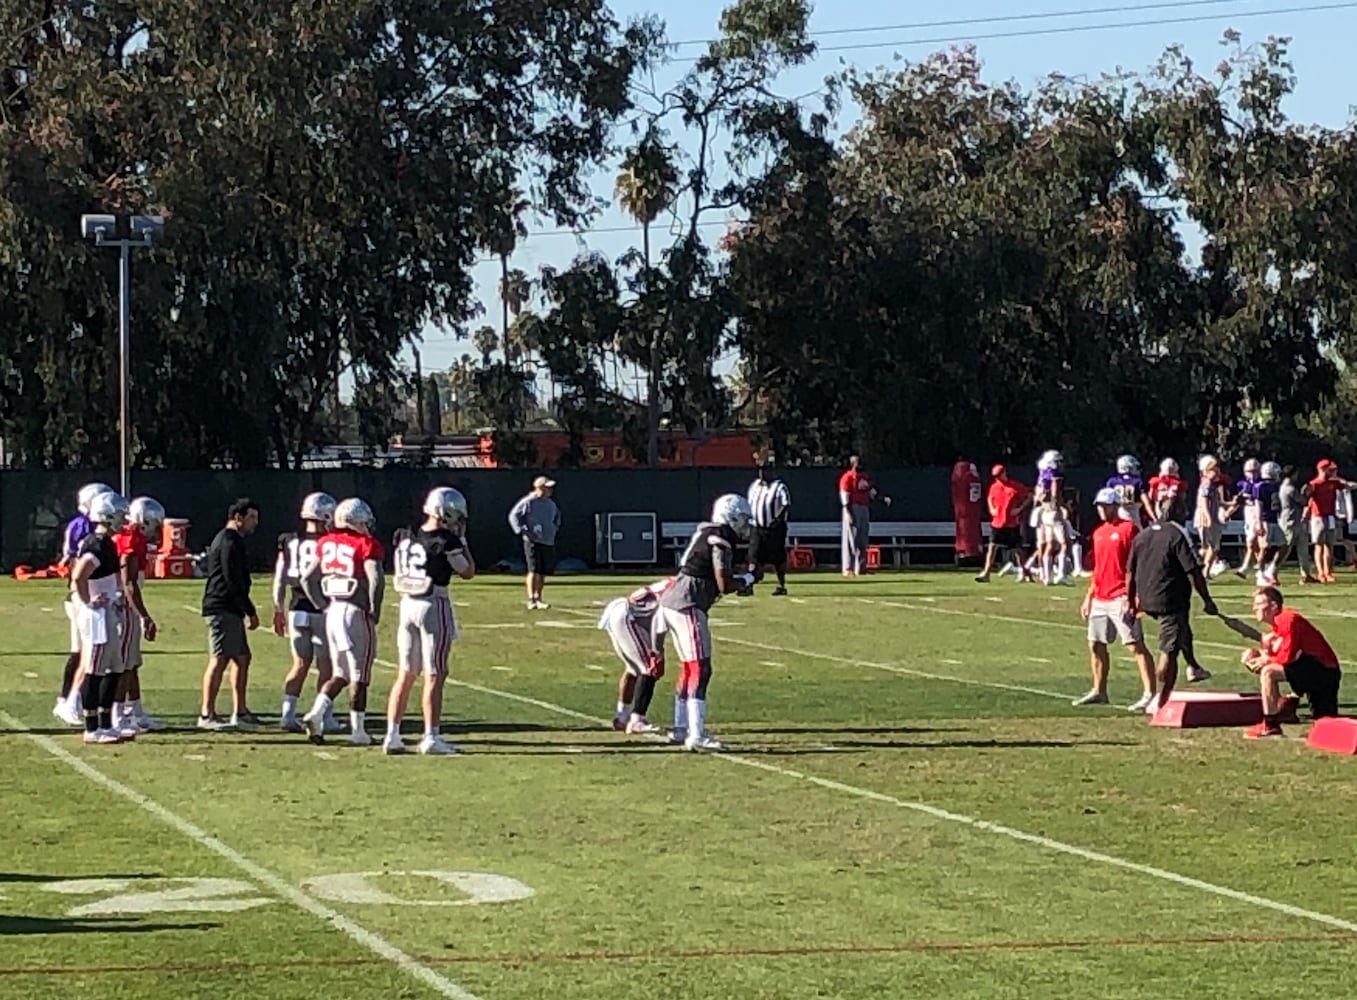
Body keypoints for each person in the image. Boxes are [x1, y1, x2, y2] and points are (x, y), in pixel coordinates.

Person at [659, 494, 756, 751]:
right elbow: (723, 584)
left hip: (677, 600)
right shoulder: (719, 540)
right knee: (701, 668)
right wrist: (747, 579)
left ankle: (682, 727)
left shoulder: (708, 532)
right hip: (687, 603)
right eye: (742, 520)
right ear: (731, 517)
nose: (745, 526)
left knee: (690, 667)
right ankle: (697, 734)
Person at [384, 487, 475, 756]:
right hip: (433, 604)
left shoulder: (405, 535)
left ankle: (392, 734)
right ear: (446, 513)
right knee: (435, 674)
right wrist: (464, 543)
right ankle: (431, 736)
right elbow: (468, 571)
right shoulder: (446, 541)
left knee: (406, 672)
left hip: (406, 604)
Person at [300, 497, 385, 746]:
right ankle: (358, 731)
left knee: (340, 673)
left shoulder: (325, 543)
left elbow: (307, 578)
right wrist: (374, 608)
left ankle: (316, 714)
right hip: (355, 611)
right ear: (356, 521)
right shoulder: (366, 543)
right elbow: (376, 579)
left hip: (333, 610)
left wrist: (322, 606)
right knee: (359, 673)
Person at [1127, 511, 1219, 713]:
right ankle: (1161, 700)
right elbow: (1193, 570)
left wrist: (1131, 601)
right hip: (1170, 600)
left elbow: (1130, 573)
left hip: (1146, 598)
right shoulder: (1176, 534)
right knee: (1169, 649)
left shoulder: (1142, 536)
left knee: (1181, 629)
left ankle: (1193, 665)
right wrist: (1207, 600)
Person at [1075, 489, 1157, 711]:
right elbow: (1099, 569)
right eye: (1099, 505)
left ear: (1115, 505)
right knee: (1096, 645)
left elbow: (1140, 564)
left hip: (1122, 595)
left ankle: (1150, 693)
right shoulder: (1099, 532)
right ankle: (1099, 690)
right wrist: (1088, 597)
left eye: (1105, 505)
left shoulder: (1128, 529)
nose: (1101, 509)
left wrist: (1134, 596)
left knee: (1134, 645)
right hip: (1100, 596)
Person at [273, 492, 340, 734]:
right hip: (321, 607)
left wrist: (278, 607)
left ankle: (287, 714)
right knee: (326, 665)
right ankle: (324, 716)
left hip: (296, 607)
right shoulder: (330, 542)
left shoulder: (290, 540)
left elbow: (280, 577)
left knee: (300, 663)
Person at [70, 491, 132, 744]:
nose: (124, 520)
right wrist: (88, 601)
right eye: (119, 516)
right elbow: (78, 576)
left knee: (115, 666)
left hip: (108, 610)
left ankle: (106, 723)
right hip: (96, 614)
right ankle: (91, 726)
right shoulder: (95, 544)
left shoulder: (107, 542)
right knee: (95, 668)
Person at [1241, 586, 1341, 739]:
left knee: (1269, 673)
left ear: (1274, 606)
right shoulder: (1278, 626)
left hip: (1323, 671)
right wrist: (1257, 655)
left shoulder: (1288, 619)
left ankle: (1271, 724)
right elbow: (1286, 655)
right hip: (1315, 669)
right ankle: (1287, 705)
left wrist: (1266, 659)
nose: (1254, 608)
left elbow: (1286, 657)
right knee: (1324, 725)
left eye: (1259, 604)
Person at [53, 481, 113, 726]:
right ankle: (69, 701)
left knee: (86, 653)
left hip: (89, 594)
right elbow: (71, 564)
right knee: (84, 653)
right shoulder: (81, 528)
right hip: (83, 597)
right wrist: (85, 596)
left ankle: (70, 700)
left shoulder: (101, 531)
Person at [198, 498, 261, 730]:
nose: (255, 523)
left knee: (242, 657)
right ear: (238, 518)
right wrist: (250, 610)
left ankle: (240, 711)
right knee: (219, 659)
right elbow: (231, 578)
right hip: (221, 607)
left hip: (230, 608)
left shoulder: (234, 540)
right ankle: (206, 714)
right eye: (252, 517)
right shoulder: (228, 541)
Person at [112, 496, 165, 733]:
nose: (157, 529)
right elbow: (129, 582)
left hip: (126, 605)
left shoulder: (133, 536)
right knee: (123, 663)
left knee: (132, 662)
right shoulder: (132, 539)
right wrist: (144, 615)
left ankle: (136, 711)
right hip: (123, 606)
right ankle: (117, 716)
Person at [602, 577, 674, 734]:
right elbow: (661, 621)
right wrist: (657, 650)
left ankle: (622, 716)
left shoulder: (676, 583)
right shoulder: (680, 589)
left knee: (633, 668)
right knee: (650, 667)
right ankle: (636, 720)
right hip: (628, 616)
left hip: (625, 613)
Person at [508, 476, 561, 610]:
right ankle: (531, 599)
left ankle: (539, 597)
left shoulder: (551, 504)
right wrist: (523, 531)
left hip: (547, 541)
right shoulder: (529, 501)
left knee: (543, 571)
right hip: (533, 541)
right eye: (547, 487)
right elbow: (514, 515)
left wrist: (553, 529)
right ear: (539, 488)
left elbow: (556, 518)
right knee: (534, 569)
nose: (550, 490)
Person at [838, 455, 891, 577]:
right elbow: (844, 495)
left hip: (864, 508)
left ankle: (861, 567)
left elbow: (871, 491)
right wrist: (847, 512)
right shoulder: (847, 478)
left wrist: (882, 499)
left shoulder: (864, 477)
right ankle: (848, 569)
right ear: (853, 465)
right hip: (852, 508)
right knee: (851, 539)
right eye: (858, 463)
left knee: (862, 540)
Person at [976, 465, 1030, 582]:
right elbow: (990, 499)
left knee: (1018, 551)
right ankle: (986, 574)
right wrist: (992, 509)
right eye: (996, 476)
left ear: (1004, 473)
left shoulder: (1015, 486)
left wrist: (1019, 509)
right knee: (992, 547)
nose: (998, 478)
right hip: (997, 523)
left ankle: (1026, 573)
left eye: (1000, 475)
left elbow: (1029, 496)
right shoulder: (994, 487)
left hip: (1011, 524)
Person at [747, 463, 791, 595]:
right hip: (757, 527)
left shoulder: (779, 486)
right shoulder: (755, 486)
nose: (761, 473)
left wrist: (778, 519)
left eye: (765, 470)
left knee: (777, 558)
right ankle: (749, 585)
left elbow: (786, 504)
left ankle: (781, 585)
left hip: (774, 529)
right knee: (753, 557)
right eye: (760, 470)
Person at [1306, 459, 1348, 584]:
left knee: (1329, 545)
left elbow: (1347, 485)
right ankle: (1321, 573)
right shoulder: (1314, 484)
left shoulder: (1334, 483)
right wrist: (1306, 513)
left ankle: (1328, 572)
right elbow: (1309, 499)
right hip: (1317, 517)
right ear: (1322, 469)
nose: (1332, 471)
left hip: (1330, 516)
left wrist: (1338, 478)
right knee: (1319, 545)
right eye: (1330, 469)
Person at [1033, 449, 1069, 586]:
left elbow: (1038, 495)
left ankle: (1047, 577)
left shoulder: (1042, 475)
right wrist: (1062, 506)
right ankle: (1061, 574)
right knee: (1064, 544)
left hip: (1044, 511)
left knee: (1050, 544)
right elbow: (1055, 493)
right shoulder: (1054, 476)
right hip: (1053, 511)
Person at [1277, 465, 1317, 584]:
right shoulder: (1289, 489)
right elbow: (1303, 501)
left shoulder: (1285, 487)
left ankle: (1306, 575)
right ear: (1292, 475)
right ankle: (1272, 572)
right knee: (1285, 549)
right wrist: (1306, 493)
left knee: (1303, 550)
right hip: (1290, 522)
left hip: (1297, 522)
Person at [1194, 455, 1229, 578]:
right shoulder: (1206, 483)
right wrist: (1208, 517)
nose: (1218, 470)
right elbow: (1203, 501)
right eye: (1215, 468)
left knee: (1213, 546)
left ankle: (1205, 571)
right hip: (1206, 518)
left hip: (1213, 517)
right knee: (1209, 546)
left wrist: (1233, 503)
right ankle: (1203, 569)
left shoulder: (1214, 485)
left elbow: (1218, 502)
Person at [1254, 462, 1285, 586]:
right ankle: (1260, 575)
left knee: (1284, 545)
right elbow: (1258, 505)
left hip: (1274, 520)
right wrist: (1258, 522)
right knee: (1264, 548)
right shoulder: (1260, 486)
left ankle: (1270, 569)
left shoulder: (1276, 486)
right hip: (1265, 520)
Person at [1234, 458, 1264, 577]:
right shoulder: (1242, 484)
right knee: (1252, 544)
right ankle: (1261, 569)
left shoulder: (1261, 485)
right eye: (1250, 471)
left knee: (1255, 542)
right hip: (1249, 514)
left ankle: (1246, 567)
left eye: (1255, 471)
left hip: (1259, 514)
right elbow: (1238, 501)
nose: (1252, 474)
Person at [1145, 458, 1186, 528]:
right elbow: (1183, 497)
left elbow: (1150, 496)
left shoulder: (1156, 481)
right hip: (1168, 505)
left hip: (1163, 505)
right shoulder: (1179, 483)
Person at [1106, 455, 1146, 525]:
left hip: (1118, 513)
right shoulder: (1138, 481)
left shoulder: (1112, 481)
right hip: (1133, 514)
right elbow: (1145, 500)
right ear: (1129, 467)